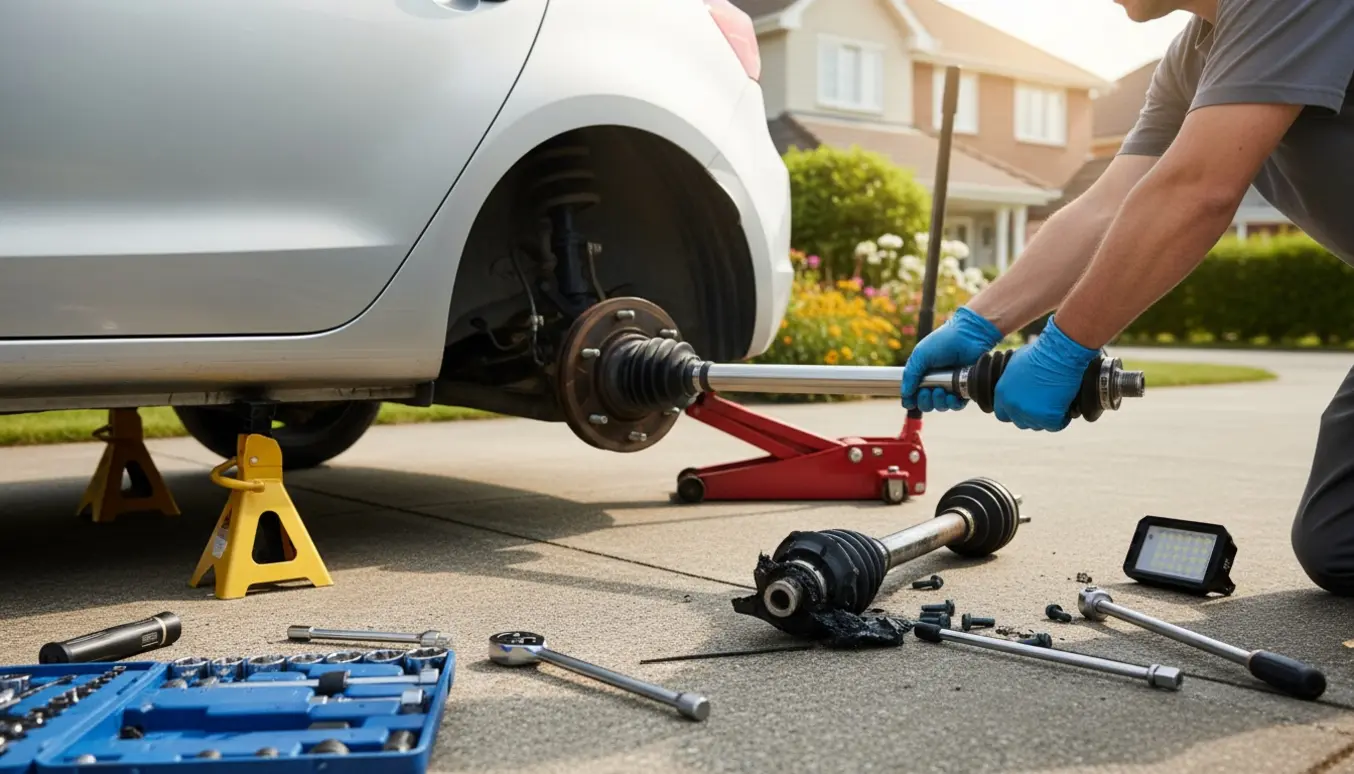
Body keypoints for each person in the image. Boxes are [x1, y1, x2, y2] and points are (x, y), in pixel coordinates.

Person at [900, 0, 1354, 595]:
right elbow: (1108, 204)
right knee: (1338, 544)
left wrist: (1063, 348)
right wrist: (981, 320)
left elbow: (1197, 189)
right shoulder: (1196, 57)